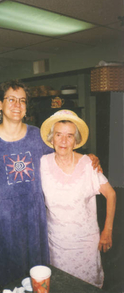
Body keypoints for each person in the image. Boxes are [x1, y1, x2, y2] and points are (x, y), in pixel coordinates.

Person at [0, 80, 101, 287]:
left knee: (36, 276)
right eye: (11, 100)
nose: (17, 105)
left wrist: (88, 157)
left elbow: (63, 152)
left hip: (33, 218)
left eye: (22, 101)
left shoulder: (37, 136)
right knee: (2, 277)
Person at [40, 110, 116, 288]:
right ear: (52, 139)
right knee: (61, 286)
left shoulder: (89, 165)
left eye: (69, 136)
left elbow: (111, 194)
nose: (64, 141)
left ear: (76, 141)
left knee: (86, 286)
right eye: (58, 135)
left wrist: (107, 231)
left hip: (86, 244)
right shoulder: (42, 163)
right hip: (57, 243)